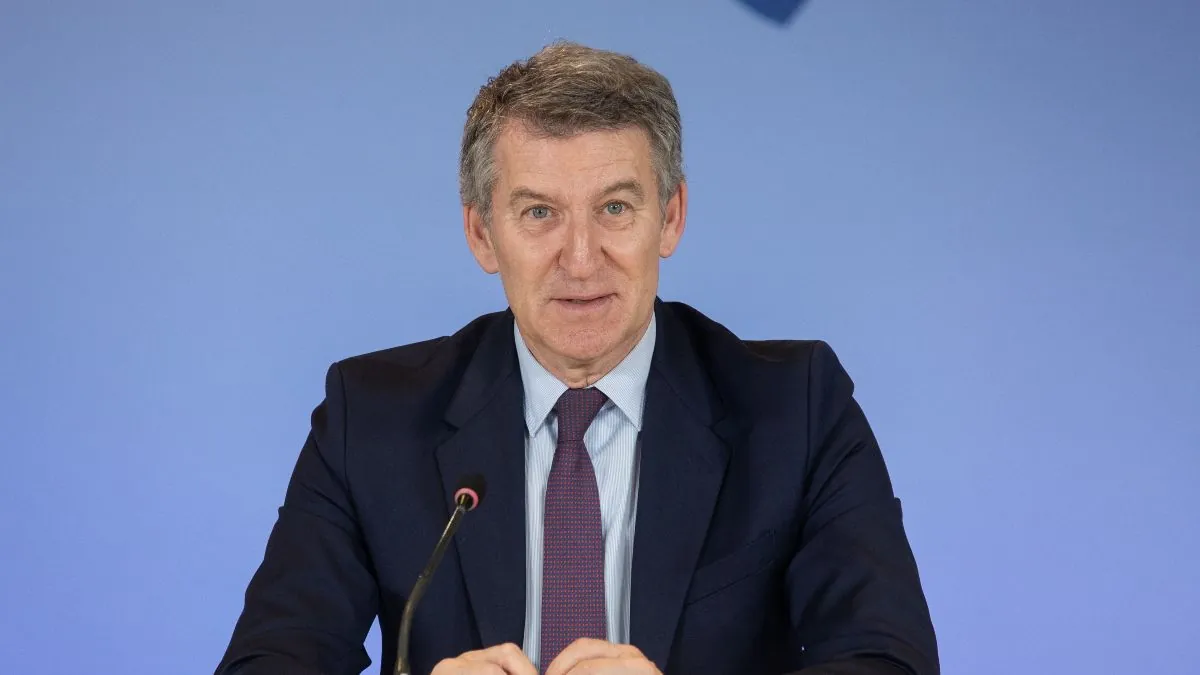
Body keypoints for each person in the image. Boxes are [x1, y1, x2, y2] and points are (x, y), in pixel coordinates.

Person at [215, 41, 938, 675]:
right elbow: (268, 661)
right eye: (540, 213)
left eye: (615, 208)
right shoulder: (371, 419)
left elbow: (889, 661)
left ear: (671, 217)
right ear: (481, 234)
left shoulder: (796, 410)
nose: (582, 259)